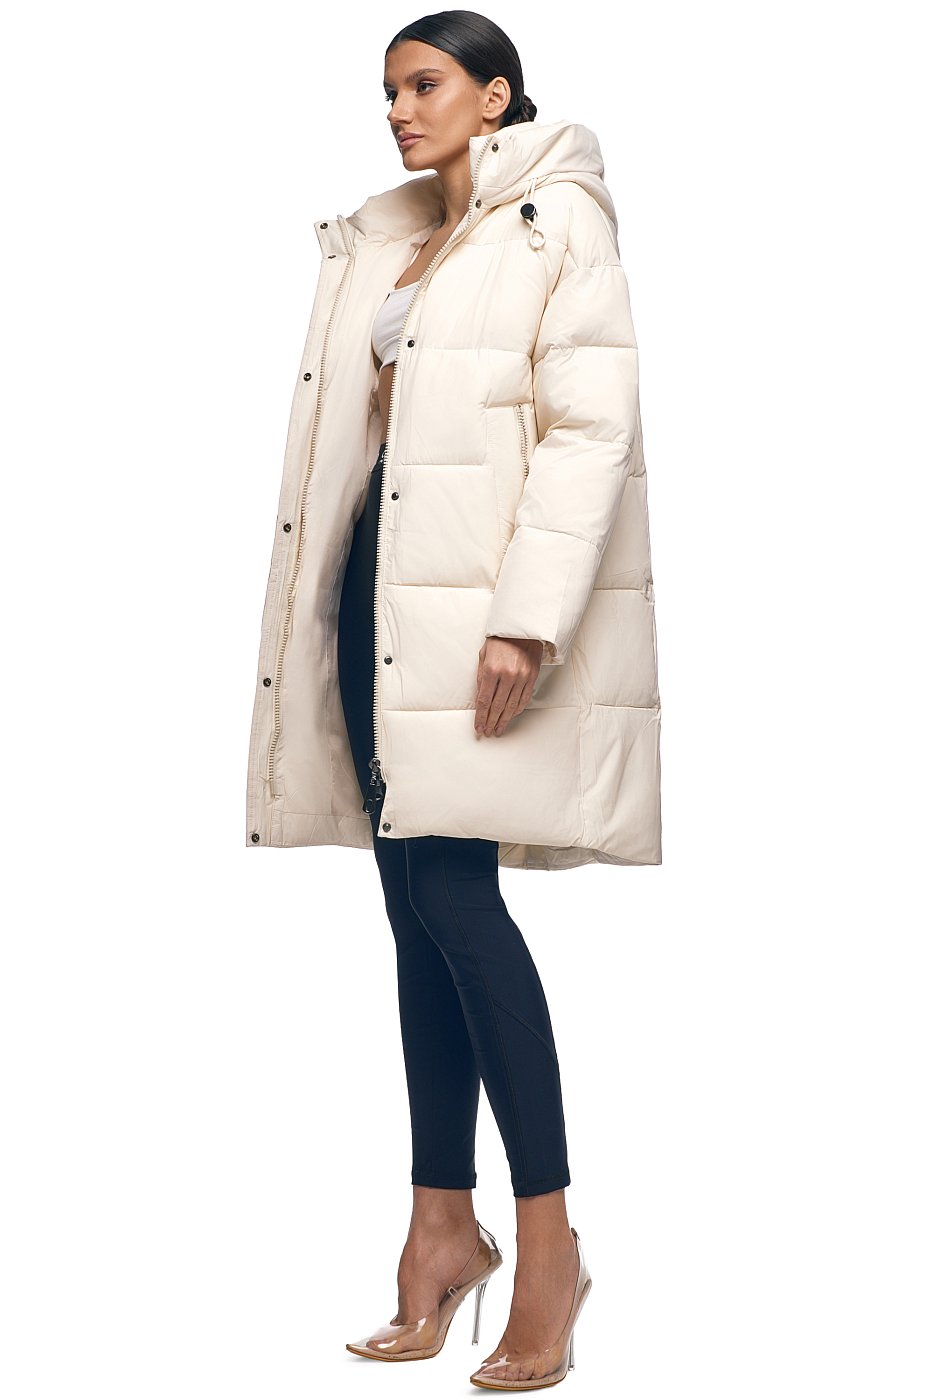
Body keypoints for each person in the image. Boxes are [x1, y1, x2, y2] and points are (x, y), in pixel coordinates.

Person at [245, 9, 662, 1390]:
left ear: (495, 96)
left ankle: (548, 1247)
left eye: (424, 85)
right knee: (412, 911)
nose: (398, 109)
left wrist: (526, 618)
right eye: (386, 90)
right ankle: (439, 1228)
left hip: (478, 612)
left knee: (454, 901)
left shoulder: (556, 226)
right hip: (376, 597)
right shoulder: (396, 237)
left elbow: (587, 428)